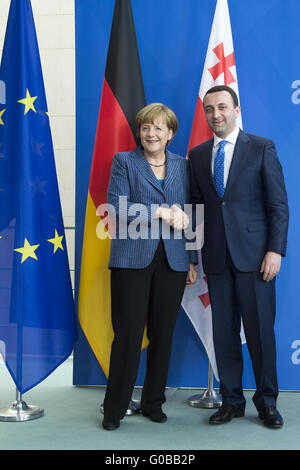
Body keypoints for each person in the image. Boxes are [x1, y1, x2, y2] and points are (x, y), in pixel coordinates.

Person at [188, 85, 289, 429]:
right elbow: (193, 210)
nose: (216, 114)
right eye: (209, 109)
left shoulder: (261, 148)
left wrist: (275, 249)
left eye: (222, 107)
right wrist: (190, 257)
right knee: (224, 335)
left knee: (261, 335)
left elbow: (278, 204)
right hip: (215, 259)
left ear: (236, 109)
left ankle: (267, 404)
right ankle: (231, 401)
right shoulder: (198, 156)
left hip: (257, 259)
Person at [102, 103, 197, 431]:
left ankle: (154, 402)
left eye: (159, 128)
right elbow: (115, 207)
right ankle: (113, 409)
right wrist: (160, 212)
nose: (151, 134)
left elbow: (189, 213)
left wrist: (191, 260)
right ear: (139, 133)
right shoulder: (124, 162)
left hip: (173, 260)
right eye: (146, 128)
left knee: (163, 335)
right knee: (127, 334)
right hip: (131, 258)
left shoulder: (183, 166)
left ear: (170, 134)